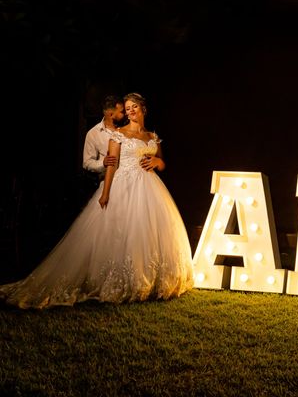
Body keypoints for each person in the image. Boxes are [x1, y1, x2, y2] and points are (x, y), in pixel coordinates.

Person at [0, 92, 194, 309]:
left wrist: (158, 161)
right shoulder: (118, 134)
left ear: (143, 109)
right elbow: (111, 165)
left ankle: (151, 280)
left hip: (150, 188)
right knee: (121, 232)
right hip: (124, 185)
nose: (130, 111)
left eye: (134, 107)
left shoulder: (152, 136)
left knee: (146, 231)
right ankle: (121, 280)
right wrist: (105, 193)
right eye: (127, 108)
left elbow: (162, 164)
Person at [82, 95, 126, 181]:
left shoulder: (128, 129)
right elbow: (87, 163)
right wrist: (102, 163)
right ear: (111, 114)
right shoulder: (93, 133)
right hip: (109, 180)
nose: (125, 114)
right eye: (122, 112)